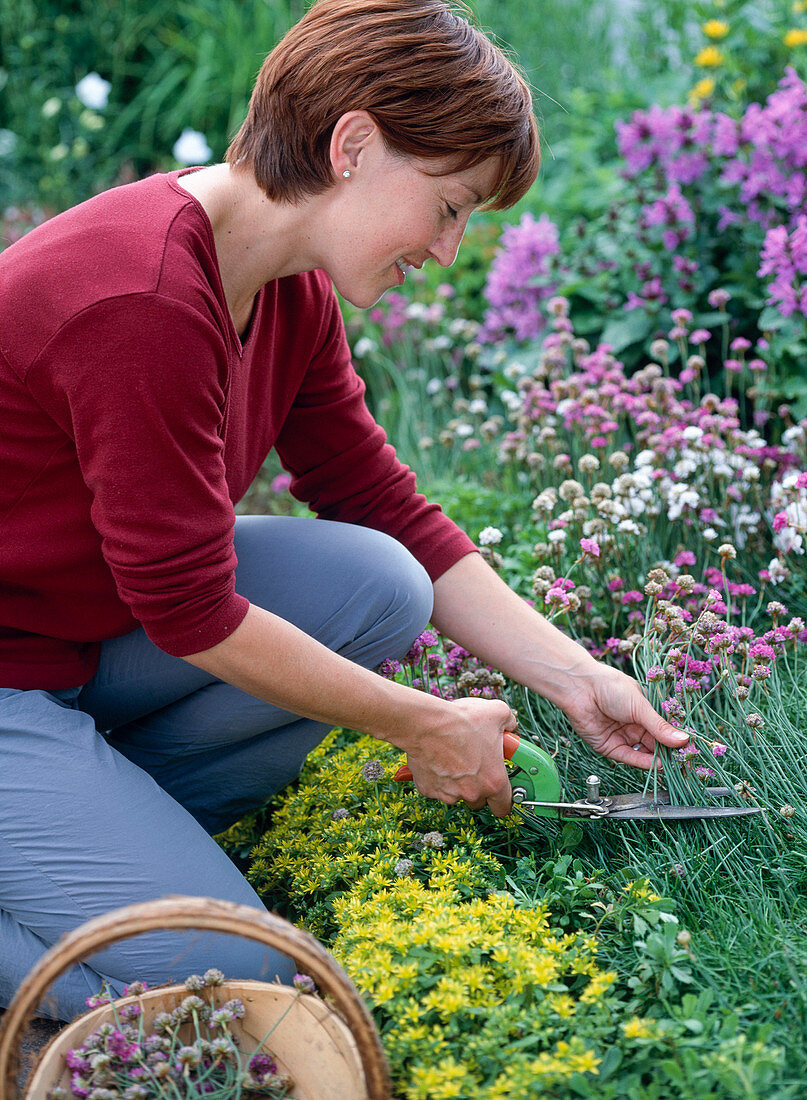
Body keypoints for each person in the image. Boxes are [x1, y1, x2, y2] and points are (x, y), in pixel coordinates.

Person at [0, 0, 688, 1021]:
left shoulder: (284, 286)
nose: (450, 250)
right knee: (246, 982)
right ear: (354, 144)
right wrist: (423, 721)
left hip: (66, 640)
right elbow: (192, 612)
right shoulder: (140, 296)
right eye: (450, 205)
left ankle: (88, 828)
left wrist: (577, 675)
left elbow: (378, 501)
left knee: (379, 582)